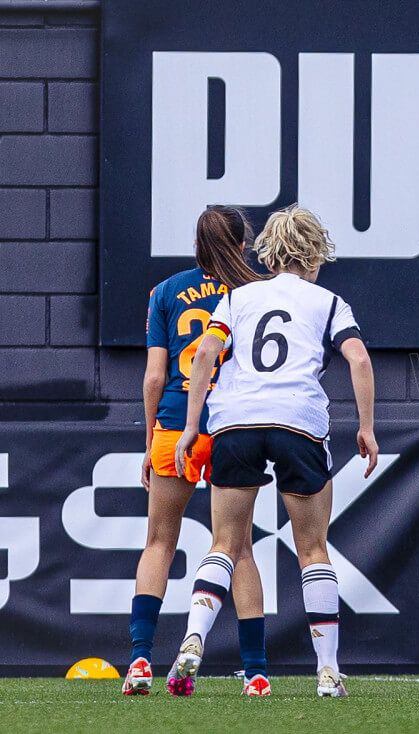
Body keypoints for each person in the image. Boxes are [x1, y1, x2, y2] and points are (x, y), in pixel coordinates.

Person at [168, 205, 379, 699]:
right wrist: (367, 427)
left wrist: (192, 426)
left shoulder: (240, 297)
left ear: (270, 251)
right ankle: (327, 670)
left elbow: (204, 354)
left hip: (236, 422)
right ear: (314, 252)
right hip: (298, 422)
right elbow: (359, 358)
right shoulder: (328, 301)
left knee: (224, 543)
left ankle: (193, 637)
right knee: (312, 549)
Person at [123, 206, 270, 697]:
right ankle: (255, 673)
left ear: (197, 244)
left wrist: (149, 442)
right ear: (242, 243)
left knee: (158, 543)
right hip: (231, 428)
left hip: (173, 426)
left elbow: (153, 376)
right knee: (239, 548)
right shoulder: (254, 291)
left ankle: (140, 659)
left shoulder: (165, 292)